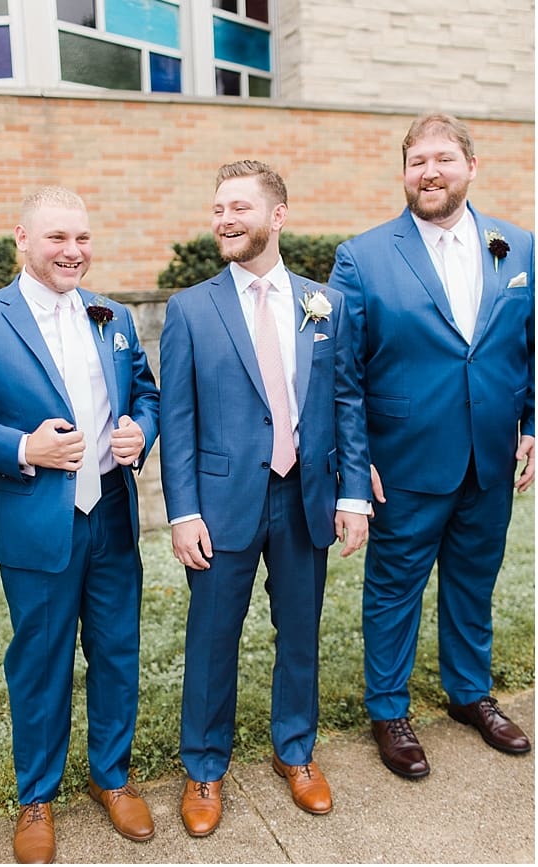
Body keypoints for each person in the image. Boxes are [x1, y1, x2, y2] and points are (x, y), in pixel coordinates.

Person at [0, 186, 160, 864]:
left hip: (113, 517)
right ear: (23, 239)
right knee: (40, 660)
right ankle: (37, 795)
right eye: (58, 238)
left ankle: (111, 776)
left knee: (118, 651)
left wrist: (138, 433)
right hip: (39, 521)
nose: (74, 251)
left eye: (83, 239)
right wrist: (22, 448)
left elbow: (146, 394)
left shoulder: (114, 316)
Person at [159, 161, 371, 837]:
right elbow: (178, 420)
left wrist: (356, 493)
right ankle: (203, 765)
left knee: (301, 635)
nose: (225, 218)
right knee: (213, 639)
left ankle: (296, 752)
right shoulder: (190, 308)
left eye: (240, 207)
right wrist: (183, 510)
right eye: (219, 207)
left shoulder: (324, 304)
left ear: (277, 216)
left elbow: (345, 401)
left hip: (307, 495)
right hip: (221, 505)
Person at [328, 113, 534, 779]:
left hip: (491, 454)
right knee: (394, 589)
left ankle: (470, 693)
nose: (431, 171)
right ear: (405, 172)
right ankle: (389, 708)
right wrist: (356, 469)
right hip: (405, 462)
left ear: (471, 167)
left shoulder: (519, 247)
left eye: (444, 158)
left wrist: (532, 425)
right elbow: (342, 376)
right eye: (418, 160)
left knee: (475, 580)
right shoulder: (363, 256)